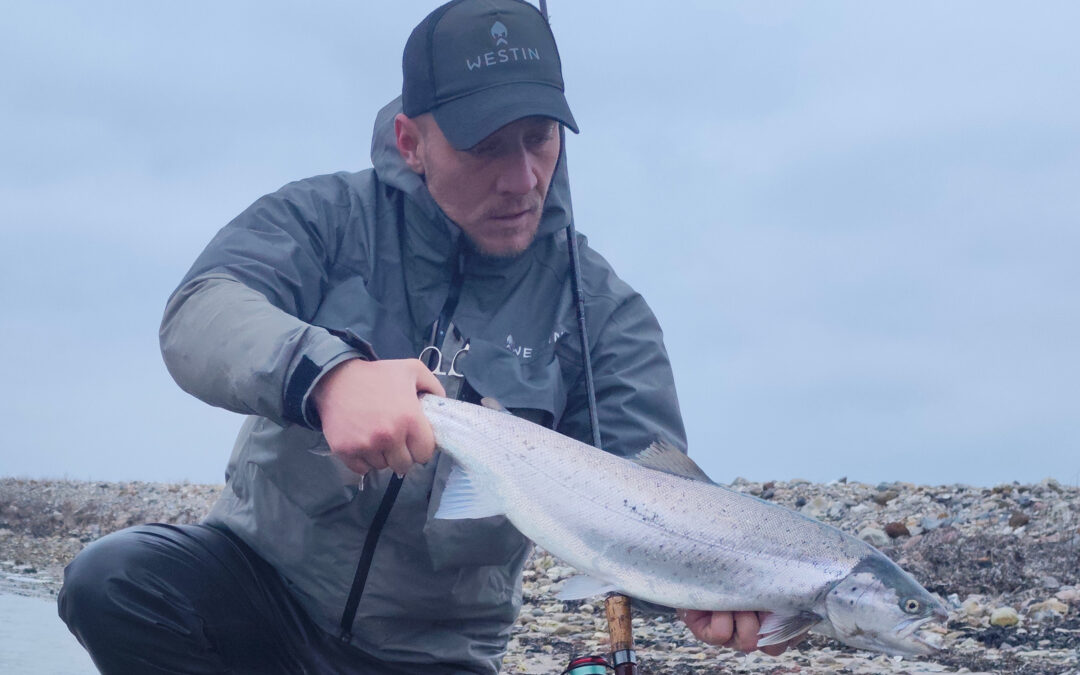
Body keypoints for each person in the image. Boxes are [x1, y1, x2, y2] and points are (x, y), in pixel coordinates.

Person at [58, 1, 802, 672]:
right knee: (113, 581)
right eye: (486, 147)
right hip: (260, 590)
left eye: (539, 138)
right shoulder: (326, 220)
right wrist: (328, 377)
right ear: (411, 141)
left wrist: (714, 589)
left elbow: (652, 506)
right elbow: (201, 311)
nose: (522, 178)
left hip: (433, 651)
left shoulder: (605, 314)